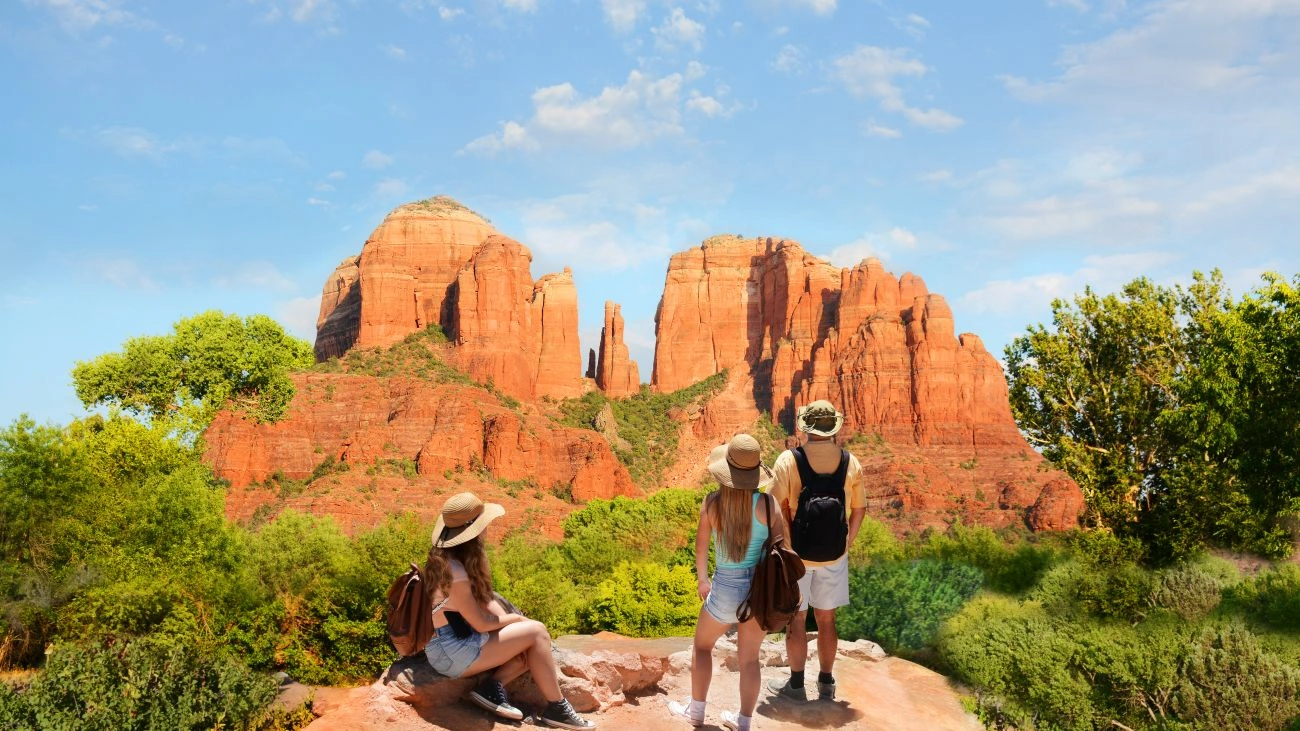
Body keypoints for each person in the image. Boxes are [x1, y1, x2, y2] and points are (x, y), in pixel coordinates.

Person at [423, 491, 596, 730]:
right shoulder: (456, 572)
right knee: (536, 633)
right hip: (451, 652)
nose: (487, 529)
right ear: (472, 533)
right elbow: (482, 624)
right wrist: (516, 619)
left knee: (532, 643)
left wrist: (517, 625)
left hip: (455, 641)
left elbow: (485, 599)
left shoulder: (454, 558)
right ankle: (557, 707)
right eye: (484, 525)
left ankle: (492, 688)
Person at [667, 433, 782, 731]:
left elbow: (701, 546)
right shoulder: (769, 506)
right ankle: (743, 722)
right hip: (757, 593)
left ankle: (696, 712)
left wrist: (703, 580)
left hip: (725, 590)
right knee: (749, 660)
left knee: (702, 647)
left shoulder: (712, 503)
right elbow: (785, 550)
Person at [766, 400, 866, 703]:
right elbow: (859, 511)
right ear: (832, 427)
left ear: (805, 427)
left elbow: (773, 506)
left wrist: (782, 548)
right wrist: (845, 545)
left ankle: (796, 686)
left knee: (797, 619)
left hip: (796, 556)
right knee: (827, 620)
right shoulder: (851, 461)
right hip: (834, 554)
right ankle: (826, 684)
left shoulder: (788, 459)